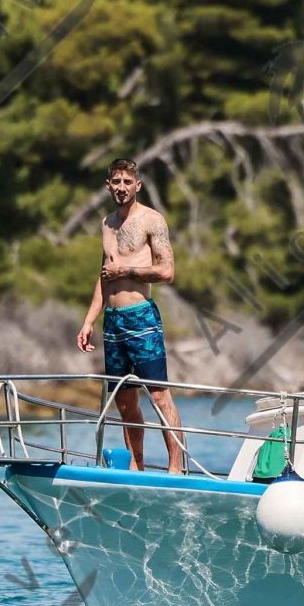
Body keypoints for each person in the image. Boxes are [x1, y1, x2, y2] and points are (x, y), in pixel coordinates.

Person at [75, 158, 185, 473]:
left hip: (141, 318)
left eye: (127, 182)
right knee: (124, 401)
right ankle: (136, 467)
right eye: (116, 182)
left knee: (160, 395)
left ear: (137, 185)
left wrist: (127, 269)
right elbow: (103, 275)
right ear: (108, 185)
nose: (121, 188)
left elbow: (168, 271)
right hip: (113, 322)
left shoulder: (152, 220)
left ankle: (176, 469)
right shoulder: (107, 224)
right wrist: (89, 321)